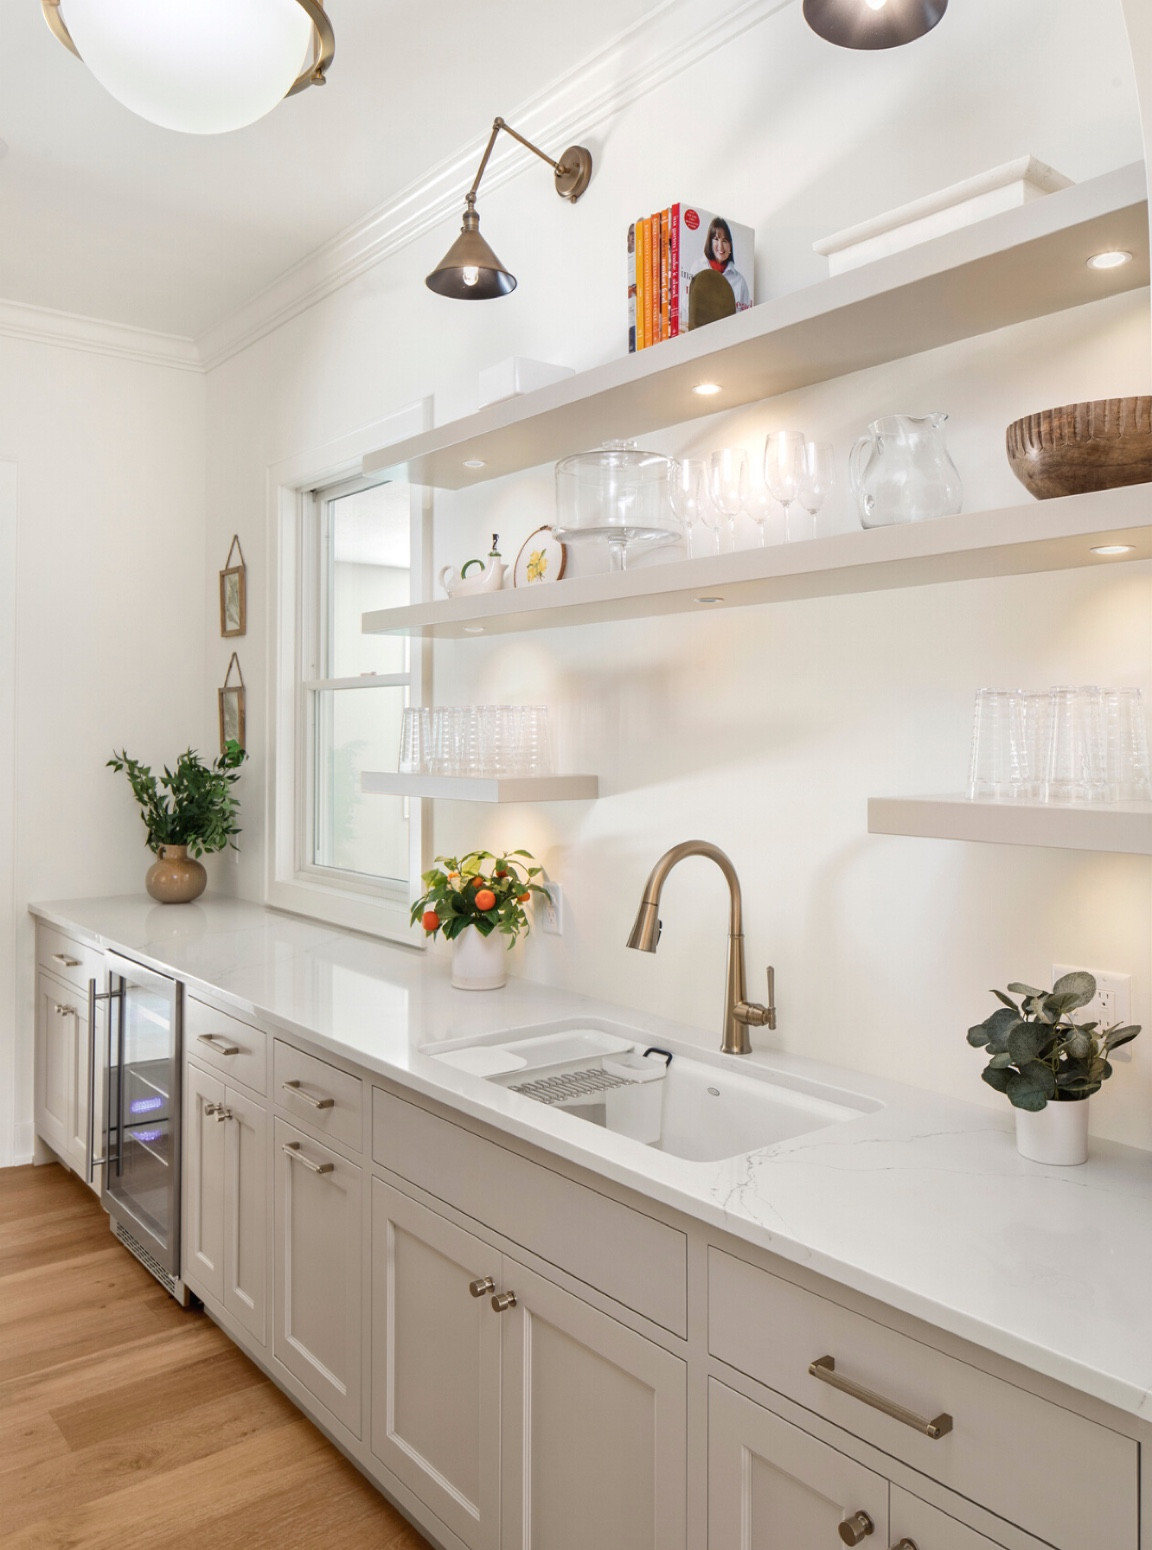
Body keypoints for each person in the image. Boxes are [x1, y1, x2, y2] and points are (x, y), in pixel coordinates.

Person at [691, 216, 750, 310]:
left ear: (730, 246)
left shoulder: (740, 281)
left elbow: (746, 318)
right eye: (716, 239)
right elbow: (686, 306)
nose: (720, 246)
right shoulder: (697, 268)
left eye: (725, 241)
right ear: (710, 243)